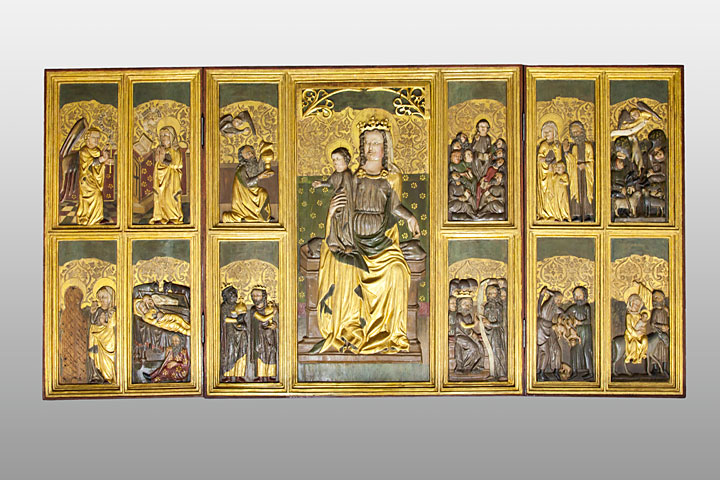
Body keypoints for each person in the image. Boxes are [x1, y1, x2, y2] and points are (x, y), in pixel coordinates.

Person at [316, 116, 421, 354]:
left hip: (381, 243)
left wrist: (409, 218)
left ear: (385, 147)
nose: (371, 148)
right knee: (346, 268)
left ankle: (389, 334)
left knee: (397, 271)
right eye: (367, 143)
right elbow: (342, 206)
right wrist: (331, 213)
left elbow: (395, 206)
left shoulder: (392, 177)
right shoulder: (353, 177)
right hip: (354, 241)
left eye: (376, 143)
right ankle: (351, 329)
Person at [312, 147, 355, 252]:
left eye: (338, 159)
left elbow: (346, 187)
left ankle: (347, 243)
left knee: (345, 223)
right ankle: (335, 243)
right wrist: (321, 184)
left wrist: (338, 192)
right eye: (333, 159)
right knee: (335, 222)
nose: (335, 162)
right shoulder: (336, 174)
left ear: (345, 159)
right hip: (337, 203)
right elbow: (330, 182)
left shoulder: (347, 174)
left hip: (345, 204)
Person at [222, 145, 274, 222]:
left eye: (252, 153)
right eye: (248, 154)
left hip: (254, 191)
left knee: (263, 193)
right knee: (262, 193)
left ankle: (264, 216)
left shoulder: (252, 166)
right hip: (245, 195)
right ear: (243, 157)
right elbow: (247, 183)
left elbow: (259, 170)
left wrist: (263, 157)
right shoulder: (242, 169)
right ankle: (232, 217)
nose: (251, 155)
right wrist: (259, 177)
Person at [76, 127, 113, 225]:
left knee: (98, 196)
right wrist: (102, 159)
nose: (96, 140)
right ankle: (88, 218)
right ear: (88, 138)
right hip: (86, 181)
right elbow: (90, 163)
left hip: (93, 179)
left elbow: (98, 164)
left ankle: (97, 218)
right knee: (96, 195)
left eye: (98, 138)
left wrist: (106, 160)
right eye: (94, 137)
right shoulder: (84, 151)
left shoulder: (96, 150)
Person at [149, 124, 184, 224]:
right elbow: (158, 160)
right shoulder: (160, 148)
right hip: (160, 176)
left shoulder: (175, 150)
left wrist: (165, 160)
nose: (163, 137)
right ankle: (160, 216)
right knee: (160, 195)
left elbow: (178, 164)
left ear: (172, 137)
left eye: (166, 135)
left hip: (171, 177)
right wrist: (158, 154)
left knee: (170, 196)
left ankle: (173, 216)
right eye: (161, 135)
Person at [562, 121, 595, 221]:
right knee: (576, 192)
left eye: (577, 131)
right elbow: (571, 161)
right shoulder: (574, 147)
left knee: (586, 192)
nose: (576, 134)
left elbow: (592, 160)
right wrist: (566, 153)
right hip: (576, 173)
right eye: (573, 132)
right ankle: (576, 214)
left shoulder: (588, 146)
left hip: (586, 173)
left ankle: (588, 214)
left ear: (582, 131)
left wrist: (586, 165)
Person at [59, 286, 88, 384]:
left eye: (77, 299)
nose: (75, 301)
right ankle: (68, 377)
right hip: (68, 341)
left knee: (79, 358)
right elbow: (62, 326)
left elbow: (84, 326)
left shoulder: (81, 313)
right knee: (68, 359)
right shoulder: (65, 313)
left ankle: (80, 377)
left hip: (79, 342)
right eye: (72, 298)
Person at [87, 286, 116, 384]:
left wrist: (105, 322)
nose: (101, 300)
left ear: (110, 298)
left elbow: (113, 325)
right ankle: (97, 375)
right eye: (99, 298)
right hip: (97, 338)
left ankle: (110, 377)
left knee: (109, 358)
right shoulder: (98, 310)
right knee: (95, 355)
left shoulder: (112, 311)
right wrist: (92, 313)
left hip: (108, 339)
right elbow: (93, 322)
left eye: (104, 297)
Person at [248, 287, 278, 381]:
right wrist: (273, 313)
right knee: (260, 354)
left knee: (270, 353)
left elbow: (271, 321)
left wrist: (274, 325)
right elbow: (263, 318)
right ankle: (260, 376)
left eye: (258, 295)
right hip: (259, 336)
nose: (255, 297)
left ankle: (270, 375)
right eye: (253, 295)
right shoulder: (253, 310)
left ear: (263, 297)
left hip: (269, 335)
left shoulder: (268, 308)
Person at [220, 286, 249, 381]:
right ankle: (228, 374)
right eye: (231, 294)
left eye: (234, 294)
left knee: (241, 351)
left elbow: (243, 319)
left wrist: (242, 324)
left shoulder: (238, 306)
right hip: (229, 333)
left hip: (239, 332)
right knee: (230, 352)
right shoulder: (224, 307)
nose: (233, 296)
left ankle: (238, 375)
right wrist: (236, 320)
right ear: (226, 296)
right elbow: (224, 319)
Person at [537, 121, 563, 220]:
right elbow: (539, 157)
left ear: (554, 132)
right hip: (545, 172)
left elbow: (559, 158)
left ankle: (554, 214)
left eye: (549, 131)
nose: (547, 133)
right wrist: (546, 160)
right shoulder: (543, 144)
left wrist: (554, 164)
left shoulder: (557, 145)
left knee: (553, 192)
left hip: (554, 172)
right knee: (545, 192)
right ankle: (545, 213)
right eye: (545, 132)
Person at [565, 286, 593, 379]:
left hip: (585, 330)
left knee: (587, 350)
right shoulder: (573, 307)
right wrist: (569, 322)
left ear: (584, 296)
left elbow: (588, 320)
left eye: (580, 296)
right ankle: (574, 371)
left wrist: (579, 322)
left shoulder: (586, 307)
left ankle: (591, 371)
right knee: (574, 350)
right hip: (576, 331)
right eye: (576, 296)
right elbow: (565, 314)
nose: (577, 298)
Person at [537, 286, 563, 381]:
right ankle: (541, 373)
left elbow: (562, 312)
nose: (559, 302)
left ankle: (556, 369)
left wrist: (561, 318)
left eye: (560, 301)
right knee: (545, 352)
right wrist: (553, 325)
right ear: (553, 299)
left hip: (549, 329)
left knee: (557, 349)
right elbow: (543, 321)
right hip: (542, 330)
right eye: (558, 300)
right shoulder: (547, 306)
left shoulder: (554, 307)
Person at [624, 280, 653, 364]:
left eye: (638, 305)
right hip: (631, 336)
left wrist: (642, 331)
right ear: (630, 304)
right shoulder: (629, 316)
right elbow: (629, 327)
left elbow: (643, 325)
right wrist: (635, 333)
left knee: (645, 340)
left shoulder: (640, 315)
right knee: (633, 343)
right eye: (635, 305)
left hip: (640, 335)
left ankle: (641, 356)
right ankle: (630, 356)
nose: (636, 307)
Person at [482, 284, 507, 379]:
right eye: (489, 293)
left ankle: (501, 373)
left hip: (497, 332)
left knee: (498, 351)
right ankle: (493, 373)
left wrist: (490, 324)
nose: (491, 295)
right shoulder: (487, 306)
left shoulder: (499, 307)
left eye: (493, 293)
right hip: (488, 331)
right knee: (491, 352)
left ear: (497, 294)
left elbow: (501, 323)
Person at [649, 289, 670, 374]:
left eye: (658, 297)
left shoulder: (665, 311)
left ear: (663, 299)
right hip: (657, 334)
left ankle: (664, 368)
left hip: (664, 334)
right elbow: (652, 324)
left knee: (664, 351)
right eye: (654, 297)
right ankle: (655, 368)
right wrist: (661, 326)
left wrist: (667, 327)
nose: (656, 299)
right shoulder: (655, 311)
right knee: (655, 351)